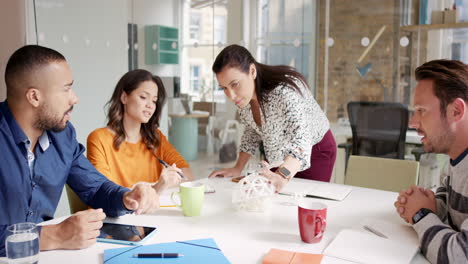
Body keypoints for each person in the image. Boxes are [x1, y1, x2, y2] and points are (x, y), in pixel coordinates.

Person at [0, 45, 160, 256]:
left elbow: (95, 188)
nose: (74, 99)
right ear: (34, 97)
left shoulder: (62, 136)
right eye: (66, 89)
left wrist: (127, 196)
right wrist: (52, 235)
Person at [208, 45, 336, 191]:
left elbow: (302, 140)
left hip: (316, 149)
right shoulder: (244, 100)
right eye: (224, 88)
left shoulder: (283, 92)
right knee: (274, 197)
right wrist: (237, 168)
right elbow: (251, 131)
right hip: (282, 152)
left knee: (302, 200)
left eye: (235, 84)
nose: (231, 95)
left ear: (252, 71)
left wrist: (283, 175)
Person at [394, 59, 468, 264]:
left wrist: (420, 214)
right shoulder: (456, 160)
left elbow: (458, 257)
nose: (412, 122)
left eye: (422, 110)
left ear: (456, 111)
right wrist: (432, 205)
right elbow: (452, 210)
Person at [87, 69, 194, 194]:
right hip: (117, 213)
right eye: (143, 97)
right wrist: (157, 187)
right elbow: (104, 193)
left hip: (152, 212)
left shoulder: (155, 138)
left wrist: (161, 185)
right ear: (124, 97)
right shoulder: (99, 139)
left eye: (154, 100)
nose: (150, 105)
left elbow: (187, 176)